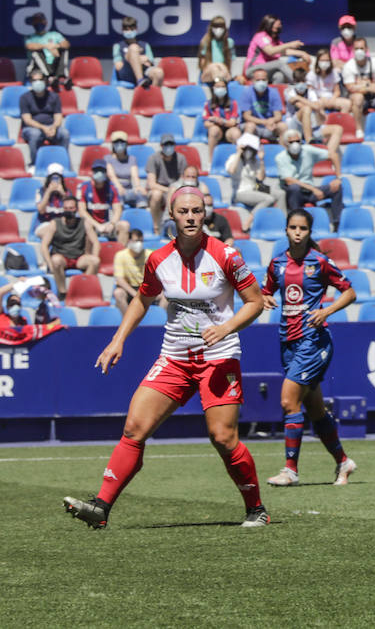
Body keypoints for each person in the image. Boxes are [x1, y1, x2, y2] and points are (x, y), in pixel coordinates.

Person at [62, 188, 269, 531]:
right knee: (134, 428)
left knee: (222, 437)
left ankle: (256, 508)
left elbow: (255, 301)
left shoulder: (226, 255)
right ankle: (101, 508)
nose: (191, 217)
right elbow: (142, 300)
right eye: (184, 211)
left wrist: (227, 328)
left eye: (197, 211)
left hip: (218, 358)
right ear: (171, 216)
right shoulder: (158, 259)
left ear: (206, 215)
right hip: (174, 357)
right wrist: (118, 340)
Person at [261, 210, 357, 488]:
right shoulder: (277, 263)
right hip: (287, 341)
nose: (298, 232)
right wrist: (266, 299)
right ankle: (343, 462)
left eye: (303, 228)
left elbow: (350, 292)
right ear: (286, 230)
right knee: (314, 410)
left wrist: (327, 311)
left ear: (309, 231)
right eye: (293, 227)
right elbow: (266, 291)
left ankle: (290, 470)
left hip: (313, 341)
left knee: (288, 401)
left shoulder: (320, 262)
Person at [276, 128, 342, 232]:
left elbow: (333, 155)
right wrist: (313, 189)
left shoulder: (307, 150)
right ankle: (296, 224)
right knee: (294, 188)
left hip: (310, 191)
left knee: (337, 188)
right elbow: (289, 180)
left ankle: (337, 223)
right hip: (293, 194)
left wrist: (338, 178)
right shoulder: (280, 157)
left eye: (297, 141)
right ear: (285, 144)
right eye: (291, 142)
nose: (295, 144)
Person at [40, 195, 100, 299]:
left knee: (95, 261)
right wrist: (49, 263)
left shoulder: (84, 223)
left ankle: (81, 290)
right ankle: (62, 291)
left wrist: (93, 254)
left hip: (79, 257)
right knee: (56, 261)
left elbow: (96, 243)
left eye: (71, 208)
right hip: (62, 257)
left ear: (76, 209)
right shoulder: (55, 223)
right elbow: (44, 245)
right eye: (66, 208)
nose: (68, 211)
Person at [226, 133, 280, 220]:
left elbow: (260, 178)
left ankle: (281, 220)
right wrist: (239, 152)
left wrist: (261, 160)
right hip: (241, 191)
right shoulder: (233, 158)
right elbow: (231, 170)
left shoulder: (255, 161)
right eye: (247, 148)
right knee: (269, 199)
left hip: (256, 187)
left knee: (280, 193)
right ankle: (250, 219)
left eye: (251, 149)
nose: (249, 151)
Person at [19, 70, 68, 163]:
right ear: (31, 82)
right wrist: (43, 128)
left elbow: (58, 116)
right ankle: (34, 164)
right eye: (35, 80)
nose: (38, 83)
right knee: (35, 134)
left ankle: (63, 162)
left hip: (51, 126)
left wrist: (54, 127)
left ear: (45, 81)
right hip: (32, 128)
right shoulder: (24, 98)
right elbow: (27, 120)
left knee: (64, 134)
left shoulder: (54, 96)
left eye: (40, 80)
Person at [245, 14, 308, 84]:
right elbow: (270, 51)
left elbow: (284, 51)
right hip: (253, 69)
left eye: (280, 25)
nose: (280, 27)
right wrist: (289, 44)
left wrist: (302, 53)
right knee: (280, 63)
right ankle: (299, 84)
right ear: (269, 25)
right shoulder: (261, 36)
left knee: (279, 76)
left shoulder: (275, 40)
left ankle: (276, 94)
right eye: (277, 25)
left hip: (267, 71)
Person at [80, 161, 129, 244]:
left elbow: (117, 209)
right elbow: (82, 211)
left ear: (106, 173)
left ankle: (120, 254)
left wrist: (112, 224)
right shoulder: (84, 187)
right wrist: (97, 225)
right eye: (96, 171)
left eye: (101, 171)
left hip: (107, 224)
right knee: (86, 225)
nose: (99, 173)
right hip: (92, 225)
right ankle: (89, 255)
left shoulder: (112, 187)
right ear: (92, 173)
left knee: (124, 225)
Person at [146, 134, 187, 229]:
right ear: (161, 146)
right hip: (160, 190)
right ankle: (156, 226)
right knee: (156, 194)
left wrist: (173, 190)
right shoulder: (153, 158)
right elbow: (152, 184)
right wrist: (169, 190)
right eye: (166, 144)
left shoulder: (181, 158)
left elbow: (182, 179)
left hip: (176, 189)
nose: (169, 147)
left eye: (171, 144)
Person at [112, 15, 165, 89]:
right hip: (127, 73)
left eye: (131, 29)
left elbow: (149, 63)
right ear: (122, 30)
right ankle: (140, 80)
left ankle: (152, 98)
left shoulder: (145, 45)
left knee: (159, 73)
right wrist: (134, 57)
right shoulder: (118, 46)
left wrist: (135, 59)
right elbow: (118, 66)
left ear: (136, 29)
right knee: (133, 48)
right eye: (126, 29)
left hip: (144, 72)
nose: (129, 31)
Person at [241, 68, 287, 142]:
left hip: (270, 127)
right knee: (250, 126)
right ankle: (248, 151)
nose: (261, 82)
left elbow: (278, 115)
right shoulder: (247, 92)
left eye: (263, 80)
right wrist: (264, 122)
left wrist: (272, 121)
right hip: (255, 127)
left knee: (282, 126)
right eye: (258, 80)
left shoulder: (273, 92)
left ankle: (284, 150)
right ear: (253, 81)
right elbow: (247, 116)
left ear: (267, 80)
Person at [106, 131, 147, 208]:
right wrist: (119, 187)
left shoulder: (132, 159)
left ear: (126, 144)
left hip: (128, 190)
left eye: (122, 142)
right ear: (112, 144)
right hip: (114, 190)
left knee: (141, 195)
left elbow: (135, 176)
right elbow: (111, 176)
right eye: (116, 142)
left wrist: (138, 186)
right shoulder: (108, 159)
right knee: (117, 196)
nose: (119, 144)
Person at [112, 229, 148, 312]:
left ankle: (162, 322)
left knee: (165, 295)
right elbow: (120, 280)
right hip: (129, 288)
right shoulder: (120, 255)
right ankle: (127, 320)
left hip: (145, 289)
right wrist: (135, 294)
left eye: (141, 241)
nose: (139, 244)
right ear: (129, 241)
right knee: (118, 293)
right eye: (136, 241)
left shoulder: (149, 255)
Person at [203, 79, 243, 152]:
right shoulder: (208, 104)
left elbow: (232, 123)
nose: (220, 89)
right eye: (218, 87)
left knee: (236, 133)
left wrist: (222, 121)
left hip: (229, 130)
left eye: (223, 87)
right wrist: (215, 122)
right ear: (213, 88)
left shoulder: (233, 103)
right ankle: (211, 161)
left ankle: (239, 158)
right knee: (213, 130)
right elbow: (206, 123)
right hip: (217, 131)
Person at [197, 14, 235, 82]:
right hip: (207, 74)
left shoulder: (230, 42)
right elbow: (202, 65)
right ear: (211, 28)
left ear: (225, 28)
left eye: (221, 27)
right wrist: (217, 65)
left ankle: (219, 84)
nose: (218, 29)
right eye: (216, 27)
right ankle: (219, 83)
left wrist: (221, 67)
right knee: (214, 68)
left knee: (222, 69)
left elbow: (229, 65)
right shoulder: (205, 41)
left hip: (223, 72)